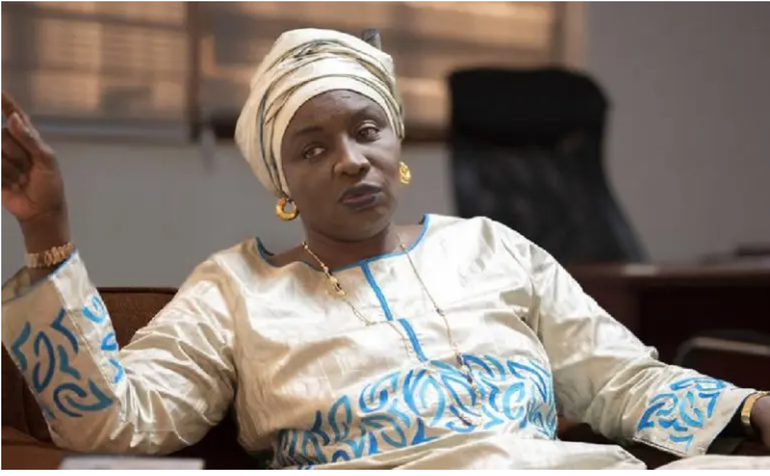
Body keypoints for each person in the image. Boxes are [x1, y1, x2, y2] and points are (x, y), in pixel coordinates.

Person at [1, 28, 769, 470]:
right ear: (282, 182)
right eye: (312, 148)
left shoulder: (491, 247)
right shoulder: (234, 290)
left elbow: (620, 378)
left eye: (367, 130)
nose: (350, 160)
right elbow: (111, 420)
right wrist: (47, 230)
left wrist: (753, 407)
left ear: (395, 143)